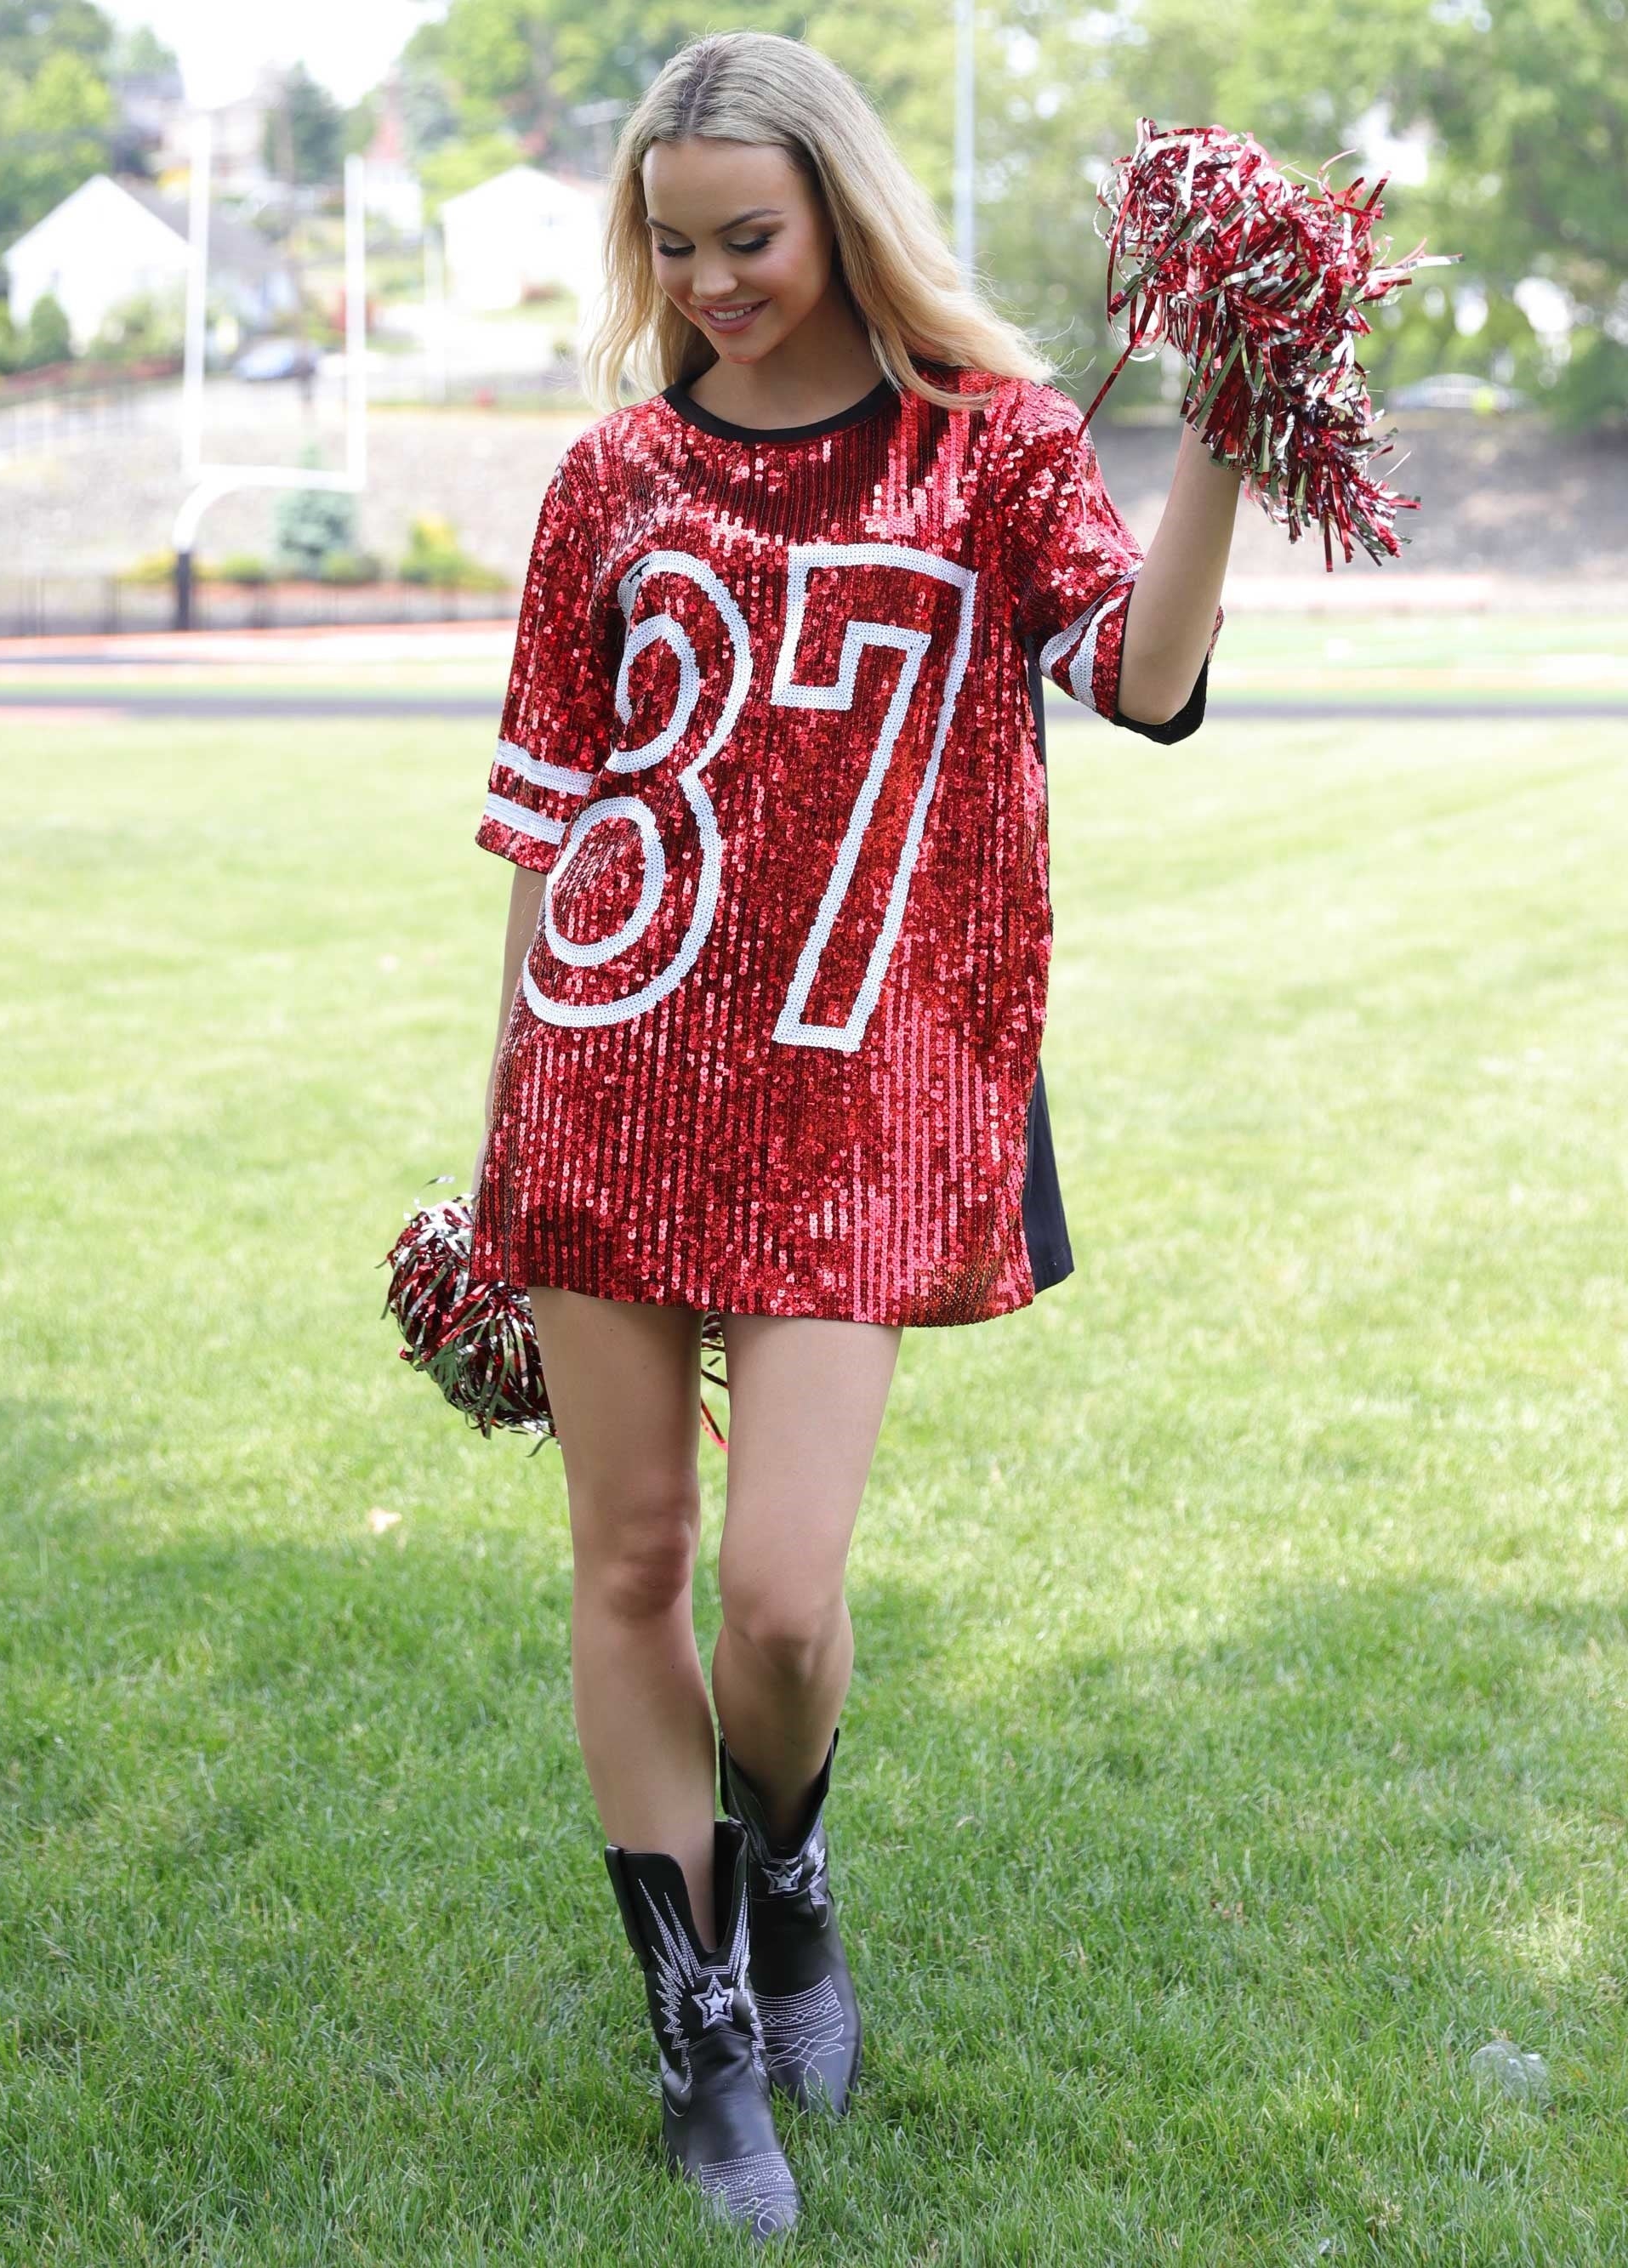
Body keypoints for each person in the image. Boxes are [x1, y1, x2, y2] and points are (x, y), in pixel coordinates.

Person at [469, 29, 1238, 2242]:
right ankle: (703, 2044)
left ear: (844, 216)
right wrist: (498, 1143)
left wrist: (1228, 446)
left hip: (860, 1102)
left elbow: (1147, 673)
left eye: (753, 237)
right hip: (611, 1076)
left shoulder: (989, 452)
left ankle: (786, 1868)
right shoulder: (609, 480)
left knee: (782, 1602)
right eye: (676, 242)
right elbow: (546, 822)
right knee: (626, 1566)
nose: (713, 279)